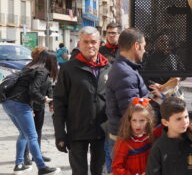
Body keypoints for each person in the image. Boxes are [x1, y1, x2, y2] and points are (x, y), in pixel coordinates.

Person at [53, 26, 111, 175]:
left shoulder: (109, 68)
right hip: (77, 130)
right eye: (85, 42)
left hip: (102, 131)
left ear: (99, 43)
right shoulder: (68, 69)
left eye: (93, 42)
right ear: (79, 43)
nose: (90, 45)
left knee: (100, 171)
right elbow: (59, 103)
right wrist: (60, 133)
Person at [105, 28, 161, 174]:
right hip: (126, 139)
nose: (144, 51)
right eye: (143, 47)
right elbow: (133, 112)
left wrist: (154, 95)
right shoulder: (125, 72)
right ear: (136, 46)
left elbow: (135, 102)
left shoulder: (127, 69)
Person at [2, 50, 60, 175]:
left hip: (8, 103)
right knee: (32, 137)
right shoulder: (42, 71)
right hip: (19, 104)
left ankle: (19, 165)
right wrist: (44, 99)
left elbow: (24, 87)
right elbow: (33, 91)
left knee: (23, 134)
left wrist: (30, 106)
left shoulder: (30, 67)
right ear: (51, 62)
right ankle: (42, 167)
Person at [146, 97, 192, 175]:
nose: (184, 122)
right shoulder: (158, 148)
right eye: (178, 119)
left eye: (186, 117)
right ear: (165, 122)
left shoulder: (191, 140)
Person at [112, 97, 163, 175]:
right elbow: (116, 168)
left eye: (142, 120)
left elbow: (169, 121)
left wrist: (162, 97)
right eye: (134, 120)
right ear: (129, 120)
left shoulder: (151, 134)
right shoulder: (124, 141)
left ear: (148, 121)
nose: (137, 125)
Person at [23, 47, 53, 164]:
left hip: (40, 104)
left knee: (38, 130)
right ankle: (25, 156)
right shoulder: (29, 68)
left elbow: (48, 85)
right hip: (29, 104)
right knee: (26, 132)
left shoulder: (44, 68)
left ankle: (37, 154)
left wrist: (51, 101)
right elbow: (28, 90)